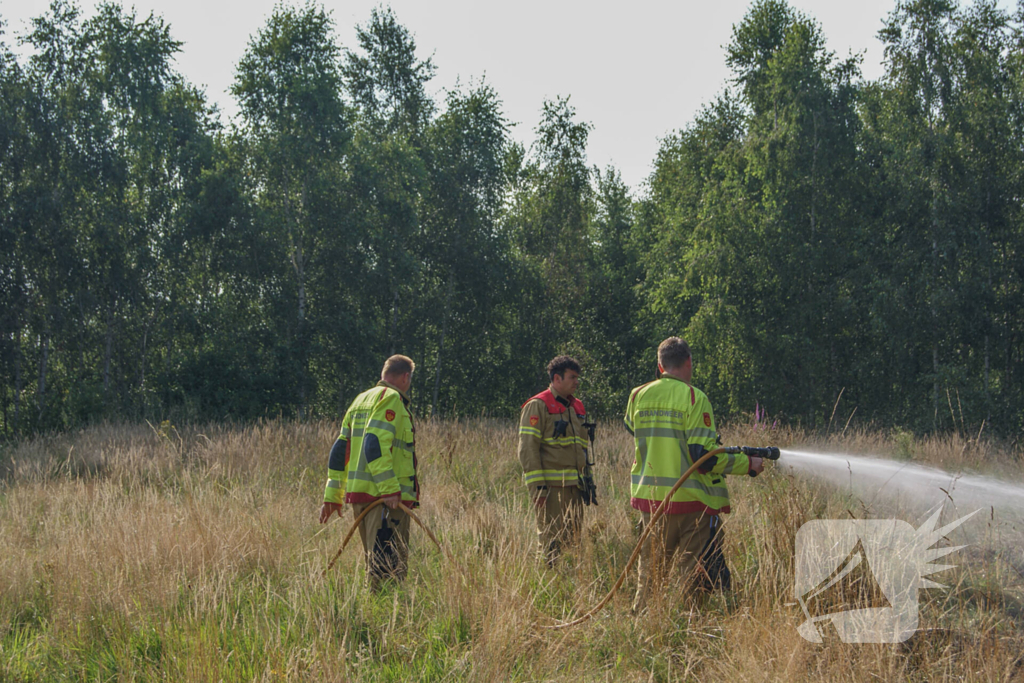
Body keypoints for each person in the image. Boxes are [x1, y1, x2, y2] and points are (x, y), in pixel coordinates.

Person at [624, 337, 764, 612]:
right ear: (688, 362)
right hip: (691, 502)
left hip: (651, 501)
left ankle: (642, 626)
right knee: (693, 572)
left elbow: (634, 430)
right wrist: (747, 464)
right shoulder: (694, 397)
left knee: (650, 573)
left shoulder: (637, 394)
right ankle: (689, 627)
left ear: (660, 365)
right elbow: (704, 457)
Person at [319, 355, 419, 589]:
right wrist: (390, 490)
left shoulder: (360, 399)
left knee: (375, 563)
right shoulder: (392, 398)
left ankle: (373, 616)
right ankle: (386, 621)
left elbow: (340, 451)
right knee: (388, 571)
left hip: (362, 499)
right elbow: (374, 444)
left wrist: (332, 497)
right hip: (385, 502)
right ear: (406, 377)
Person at [518, 355, 591, 566]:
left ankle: (568, 584)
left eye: (577, 377)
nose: (576, 382)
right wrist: (538, 488)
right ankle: (549, 583)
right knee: (551, 541)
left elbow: (583, 448)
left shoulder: (577, 407)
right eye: (572, 377)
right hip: (551, 490)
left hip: (575, 488)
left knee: (573, 540)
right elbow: (528, 449)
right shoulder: (537, 405)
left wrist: (587, 480)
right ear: (556, 379)